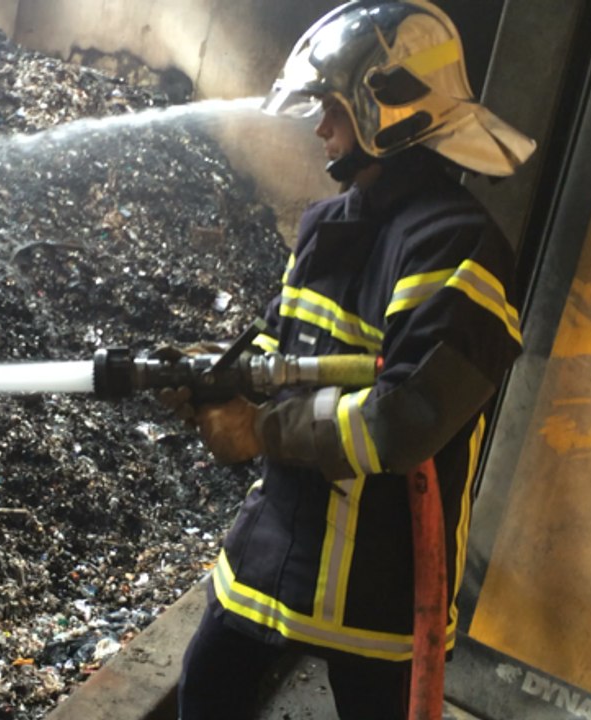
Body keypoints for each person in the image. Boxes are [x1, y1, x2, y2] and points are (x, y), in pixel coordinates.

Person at [165, 2, 537, 718]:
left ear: (386, 112)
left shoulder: (459, 247)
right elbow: (282, 352)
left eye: (332, 107)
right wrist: (207, 377)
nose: (319, 126)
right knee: (207, 691)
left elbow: (409, 418)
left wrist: (259, 431)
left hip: (381, 590)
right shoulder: (327, 224)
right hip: (269, 559)